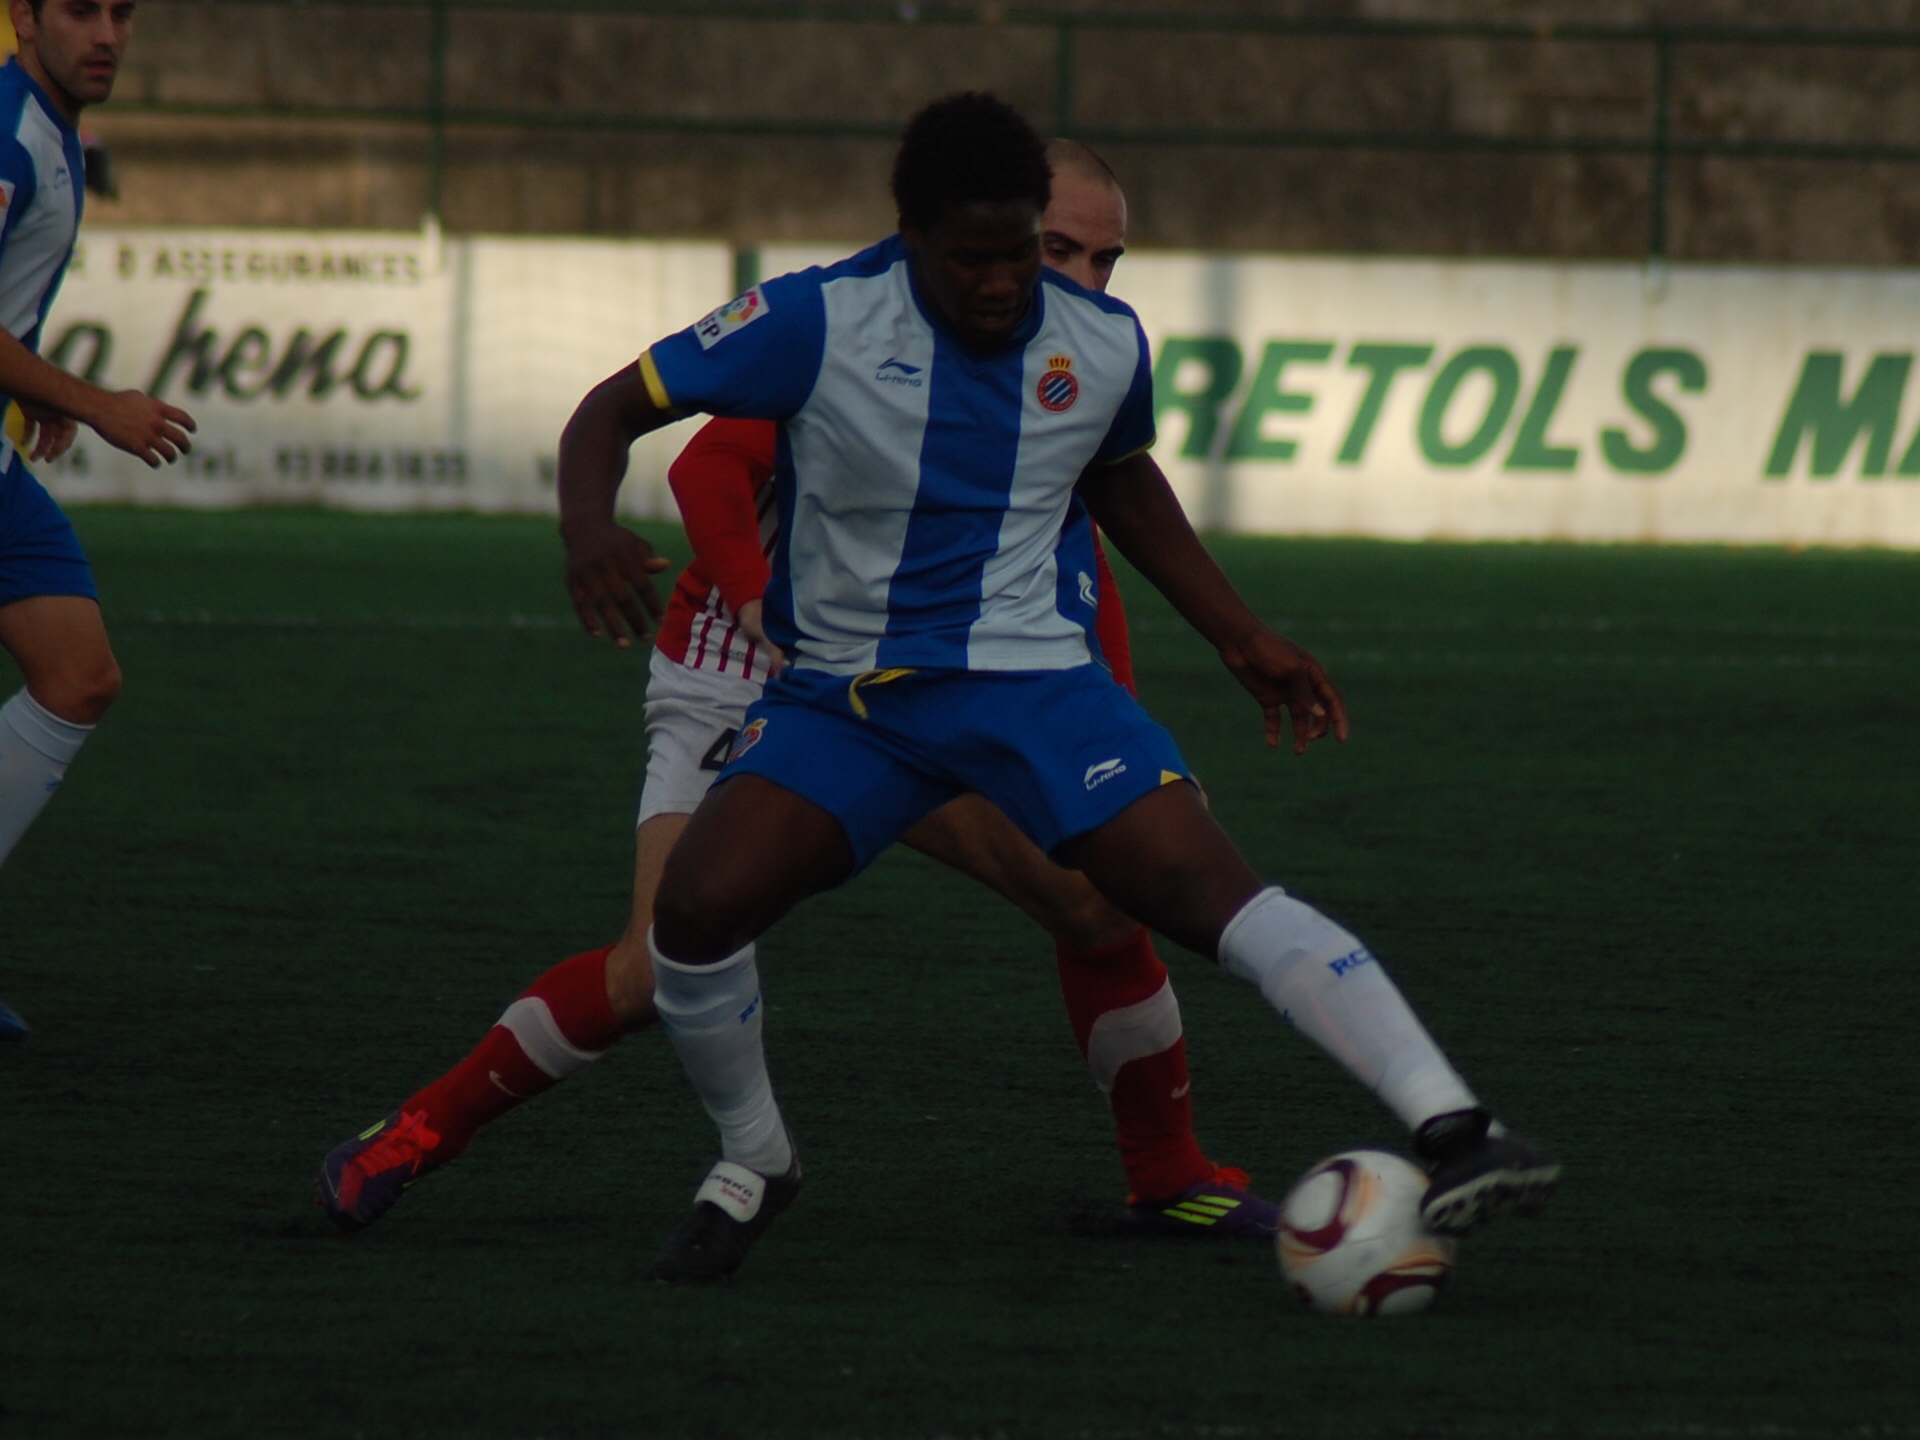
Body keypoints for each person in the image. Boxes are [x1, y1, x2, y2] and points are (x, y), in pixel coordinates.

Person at [548, 92, 1559, 1284]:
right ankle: (755, 1159)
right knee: (695, 914)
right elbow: (611, 412)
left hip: (1034, 686)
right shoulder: (812, 318)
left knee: (1201, 886)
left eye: (1021, 251)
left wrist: (1240, 635)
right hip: (850, 702)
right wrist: (587, 528)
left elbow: (1125, 482)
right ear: (910, 236)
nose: (1001, 283)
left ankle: (1459, 1129)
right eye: (971, 258)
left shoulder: (1100, 337)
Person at [316, 141, 1280, 1242]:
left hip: (910, 689)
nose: (1083, 282)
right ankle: (413, 1133)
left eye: (1105, 259)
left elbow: (1086, 549)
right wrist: (760, 607)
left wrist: (1113, 724)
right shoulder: (875, 329)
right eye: (1059, 248)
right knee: (650, 968)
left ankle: (1167, 1175)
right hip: (741, 671)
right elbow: (707, 464)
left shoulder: (1068, 364)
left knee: (1098, 898)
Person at [0, 0, 197, 1042]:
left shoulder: (50, 117)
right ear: (24, 18)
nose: (108, 33)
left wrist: (31, 390)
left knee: (79, 674)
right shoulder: (9, 132)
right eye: (80, 10)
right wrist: (91, 401)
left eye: (124, 12)